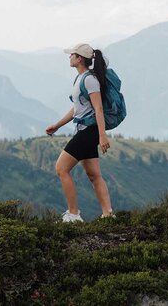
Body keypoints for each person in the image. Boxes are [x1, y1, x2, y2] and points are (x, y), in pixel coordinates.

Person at [45, 43, 114, 222]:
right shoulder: (80, 78)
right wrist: (58, 125)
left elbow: (98, 108)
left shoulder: (89, 80)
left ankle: (73, 214)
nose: (69, 57)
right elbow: (77, 109)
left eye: (72, 55)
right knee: (94, 175)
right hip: (85, 130)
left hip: (88, 131)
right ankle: (108, 214)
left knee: (61, 168)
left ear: (79, 59)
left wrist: (102, 135)